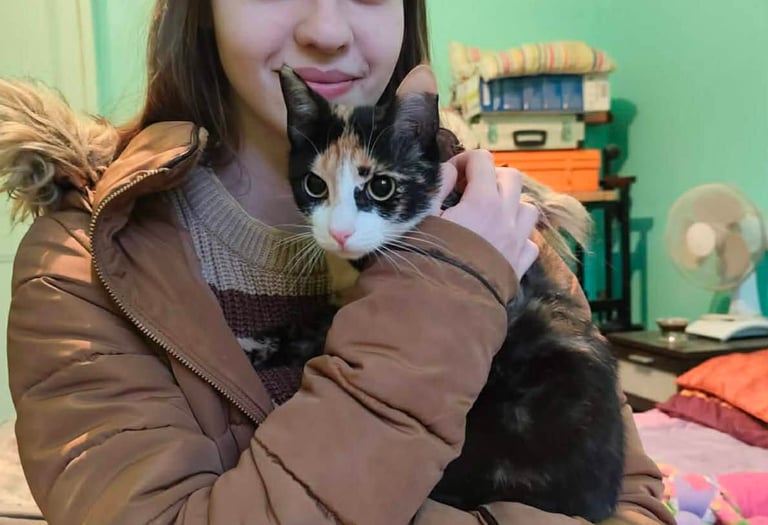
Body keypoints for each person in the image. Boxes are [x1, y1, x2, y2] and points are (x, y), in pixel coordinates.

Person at [1, 1, 674, 524]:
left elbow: (635, 503)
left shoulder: (489, 217)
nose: (326, 29)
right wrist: (438, 303)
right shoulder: (84, 270)